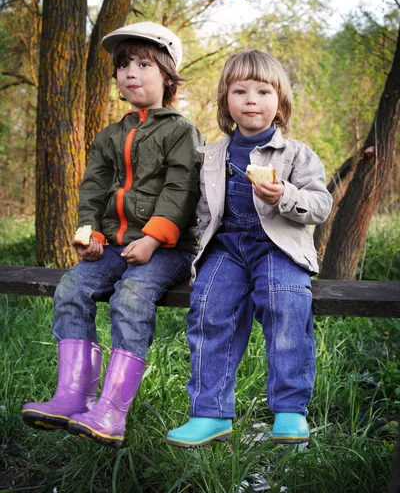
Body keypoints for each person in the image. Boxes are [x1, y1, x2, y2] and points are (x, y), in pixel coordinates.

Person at [21, 22, 203, 449]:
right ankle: (73, 394)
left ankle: (112, 411)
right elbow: (93, 190)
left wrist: (155, 238)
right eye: (123, 66)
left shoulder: (181, 131)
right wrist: (91, 235)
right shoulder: (110, 135)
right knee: (70, 288)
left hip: (167, 248)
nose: (131, 73)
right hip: (115, 245)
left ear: (167, 77)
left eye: (143, 64)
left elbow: (183, 189)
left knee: (131, 297)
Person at [167, 49, 333, 448]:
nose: (251, 100)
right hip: (228, 247)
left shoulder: (297, 154)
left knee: (285, 305)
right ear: (226, 100)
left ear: (280, 101)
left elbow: (321, 206)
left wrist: (284, 195)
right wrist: (197, 264)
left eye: (263, 91)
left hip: (278, 246)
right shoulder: (212, 156)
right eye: (240, 91)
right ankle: (209, 413)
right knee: (208, 311)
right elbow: (205, 215)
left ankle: (290, 409)